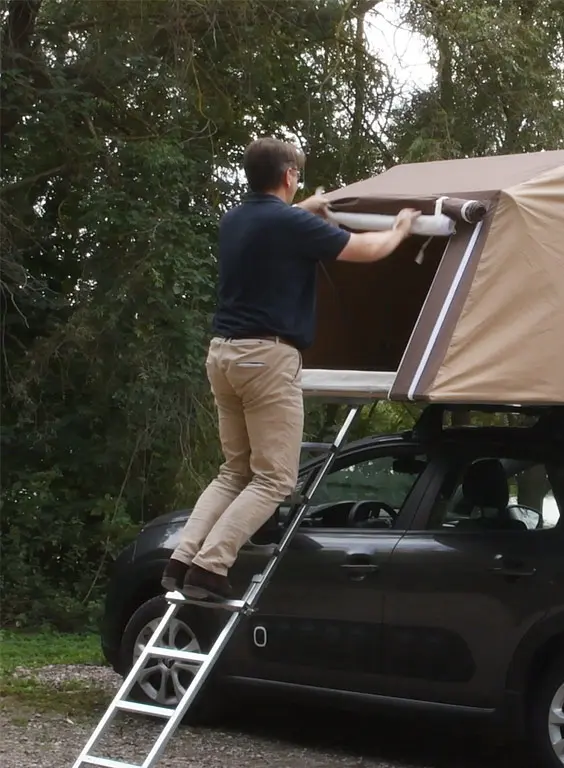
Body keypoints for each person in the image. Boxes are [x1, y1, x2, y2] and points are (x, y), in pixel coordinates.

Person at [161, 137, 421, 601]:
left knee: (234, 472)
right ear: (288, 176)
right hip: (266, 357)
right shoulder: (289, 224)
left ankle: (181, 556)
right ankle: (210, 566)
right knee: (276, 479)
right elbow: (366, 249)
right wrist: (401, 229)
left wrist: (307, 206)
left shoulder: (235, 220)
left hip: (223, 354)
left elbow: (280, 221)